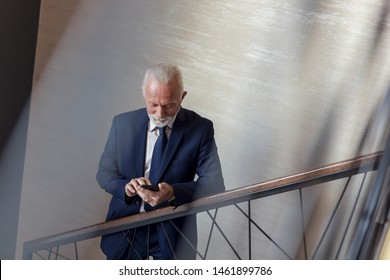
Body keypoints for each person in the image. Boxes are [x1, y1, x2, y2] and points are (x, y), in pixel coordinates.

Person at [96, 63, 225, 259]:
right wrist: (126, 188)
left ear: (182, 96)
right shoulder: (121, 124)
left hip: (174, 233)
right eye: (153, 104)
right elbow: (104, 174)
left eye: (169, 105)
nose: (160, 114)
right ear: (143, 93)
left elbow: (214, 184)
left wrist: (173, 192)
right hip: (125, 229)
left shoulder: (201, 129)